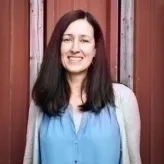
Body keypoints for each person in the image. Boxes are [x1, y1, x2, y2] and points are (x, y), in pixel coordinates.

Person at [23, 10, 141, 164]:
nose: (74, 48)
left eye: (84, 40)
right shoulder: (41, 101)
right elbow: (29, 159)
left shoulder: (123, 99)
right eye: (67, 39)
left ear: (95, 50)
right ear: (58, 47)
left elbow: (134, 159)